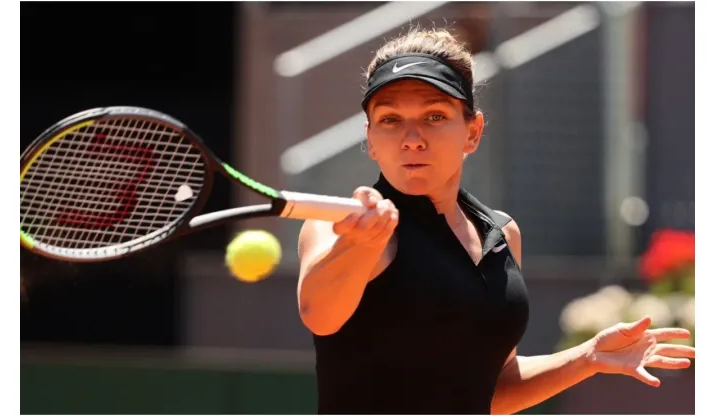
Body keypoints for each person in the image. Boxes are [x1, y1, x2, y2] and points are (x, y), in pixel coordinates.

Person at [296, 27, 695, 414]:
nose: (412, 137)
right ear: (370, 138)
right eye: (390, 119)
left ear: (473, 132)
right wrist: (358, 245)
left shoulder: (500, 232)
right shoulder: (340, 226)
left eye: (434, 117)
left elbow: (493, 391)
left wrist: (587, 356)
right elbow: (320, 314)